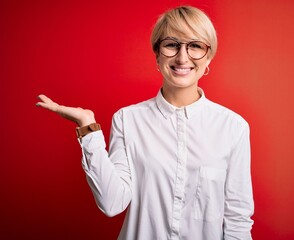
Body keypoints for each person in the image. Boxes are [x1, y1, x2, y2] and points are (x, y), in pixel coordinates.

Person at [36, 5, 254, 240]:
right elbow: (112, 203)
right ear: (157, 54)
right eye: (172, 44)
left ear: (208, 56)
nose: (183, 57)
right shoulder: (127, 120)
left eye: (195, 46)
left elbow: (237, 219)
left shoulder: (233, 127)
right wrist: (88, 128)